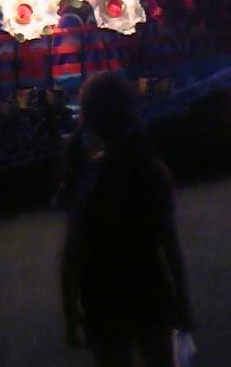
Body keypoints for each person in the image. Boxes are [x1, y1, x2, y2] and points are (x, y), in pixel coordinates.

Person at [61, 70, 193, 367]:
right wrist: (182, 298)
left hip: (102, 295)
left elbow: (73, 253)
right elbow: (170, 244)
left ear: (89, 117)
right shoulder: (153, 171)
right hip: (150, 287)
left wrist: (70, 312)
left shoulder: (87, 179)